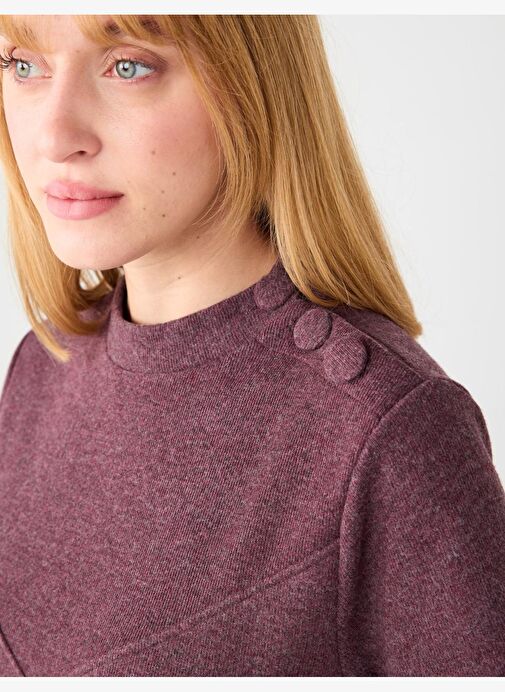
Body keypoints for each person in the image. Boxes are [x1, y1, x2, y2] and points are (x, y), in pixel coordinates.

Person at [0, 14, 503, 678]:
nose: (54, 136)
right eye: (23, 64)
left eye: (128, 66)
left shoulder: (388, 433)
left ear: (252, 87)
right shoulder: (43, 364)